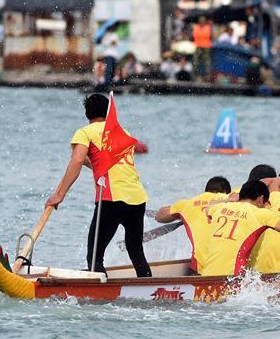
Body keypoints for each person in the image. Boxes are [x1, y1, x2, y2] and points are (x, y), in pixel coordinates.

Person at [45, 93, 152, 277]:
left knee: (95, 256)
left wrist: (59, 195)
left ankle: (100, 301)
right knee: (135, 251)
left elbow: (77, 161)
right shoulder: (122, 132)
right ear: (108, 112)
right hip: (137, 198)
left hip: (111, 199)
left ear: (87, 114)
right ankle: (148, 288)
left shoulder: (85, 132)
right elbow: (101, 161)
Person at [201, 180, 280, 276]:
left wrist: (229, 200)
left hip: (206, 275)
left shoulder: (220, 208)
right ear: (260, 199)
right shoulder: (260, 213)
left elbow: (211, 205)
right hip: (233, 280)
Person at [155, 176, 232, 273]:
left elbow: (159, 216)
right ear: (226, 191)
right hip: (230, 269)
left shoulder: (188, 204)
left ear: (206, 191)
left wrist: (182, 214)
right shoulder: (232, 201)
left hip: (200, 270)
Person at [192, 16, 213, 82]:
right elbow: (195, 36)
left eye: (203, 21)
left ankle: (207, 76)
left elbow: (208, 36)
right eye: (201, 21)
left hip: (206, 46)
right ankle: (194, 76)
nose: (202, 23)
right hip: (198, 46)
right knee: (196, 61)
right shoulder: (196, 27)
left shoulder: (208, 27)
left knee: (207, 62)